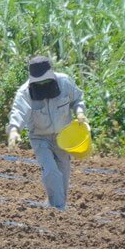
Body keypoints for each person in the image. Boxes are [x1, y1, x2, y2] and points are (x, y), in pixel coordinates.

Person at [6, 55, 90, 210]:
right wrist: (14, 130)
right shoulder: (25, 92)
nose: (43, 84)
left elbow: (78, 99)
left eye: (46, 80)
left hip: (63, 137)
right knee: (51, 171)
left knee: (63, 177)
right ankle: (58, 209)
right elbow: (19, 111)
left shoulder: (64, 82)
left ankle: (56, 208)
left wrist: (80, 113)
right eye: (40, 82)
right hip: (40, 138)